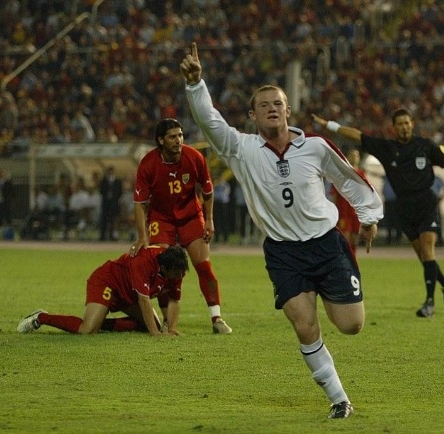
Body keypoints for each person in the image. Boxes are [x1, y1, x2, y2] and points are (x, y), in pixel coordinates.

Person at [181, 43, 382, 418]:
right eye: (264, 105)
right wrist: (196, 84)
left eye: (278, 103)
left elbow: (347, 178)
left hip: (327, 245)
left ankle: (332, 301)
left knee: (351, 325)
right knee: (305, 326)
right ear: (252, 115)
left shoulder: (315, 147)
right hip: (284, 252)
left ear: (289, 110)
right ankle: (339, 400)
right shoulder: (241, 149)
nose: (272, 108)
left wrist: (368, 215)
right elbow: (210, 121)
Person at [312, 108, 444, 318]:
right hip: (404, 207)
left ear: (412, 124)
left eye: (407, 123)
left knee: (428, 250)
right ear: (394, 127)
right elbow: (357, 135)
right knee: (423, 257)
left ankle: (429, 303)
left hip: (426, 203)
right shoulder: (387, 148)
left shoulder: (425, 146)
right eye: (400, 124)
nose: (404, 127)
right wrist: (329, 125)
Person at [131, 118, 232, 334]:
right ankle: (167, 320)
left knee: (203, 265)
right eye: (172, 137)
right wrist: (142, 236)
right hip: (161, 218)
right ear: (160, 140)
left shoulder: (194, 157)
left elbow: (207, 190)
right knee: (163, 267)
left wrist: (209, 219)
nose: (178, 140)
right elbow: (139, 203)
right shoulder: (148, 163)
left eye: (180, 135)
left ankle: (216, 318)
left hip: (191, 216)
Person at [17, 245, 189, 336]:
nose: (179, 277)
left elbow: (173, 299)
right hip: (108, 282)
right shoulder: (143, 262)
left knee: (152, 324)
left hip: (128, 293)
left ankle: (99, 322)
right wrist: (156, 334)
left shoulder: (175, 268)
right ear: (164, 268)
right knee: (87, 330)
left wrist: (171, 327)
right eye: (177, 273)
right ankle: (41, 317)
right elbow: (144, 300)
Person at [329, 148, 364, 255]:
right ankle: (345, 262)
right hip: (344, 213)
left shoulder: (361, 174)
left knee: (354, 240)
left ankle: (353, 262)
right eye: (352, 155)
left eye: (356, 155)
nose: (354, 157)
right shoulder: (341, 173)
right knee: (345, 240)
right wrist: (333, 212)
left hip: (356, 214)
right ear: (347, 157)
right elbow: (334, 195)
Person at [99, 166, 123, 241]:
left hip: (114, 203)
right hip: (106, 203)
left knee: (113, 219)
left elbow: (120, 192)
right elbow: (101, 191)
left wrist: (115, 198)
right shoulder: (104, 181)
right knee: (104, 219)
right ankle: (103, 235)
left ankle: (112, 235)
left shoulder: (117, 181)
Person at [430, 174, 444, 246]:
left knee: (437, 220)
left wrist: (442, 197)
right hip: (425, 200)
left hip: (434, 200)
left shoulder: (437, 179)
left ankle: (439, 240)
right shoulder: (423, 177)